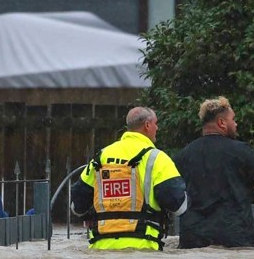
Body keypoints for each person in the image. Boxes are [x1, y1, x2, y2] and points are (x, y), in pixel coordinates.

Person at [174, 97, 254, 248]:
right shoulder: (241, 151)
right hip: (236, 237)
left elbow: (173, 194)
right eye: (233, 119)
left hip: (193, 239)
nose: (236, 124)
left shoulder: (183, 155)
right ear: (221, 123)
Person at [70, 106, 187, 250]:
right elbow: (179, 206)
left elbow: (77, 206)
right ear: (147, 125)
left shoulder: (101, 156)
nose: (157, 128)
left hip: (100, 250)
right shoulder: (157, 158)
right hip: (144, 248)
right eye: (156, 123)